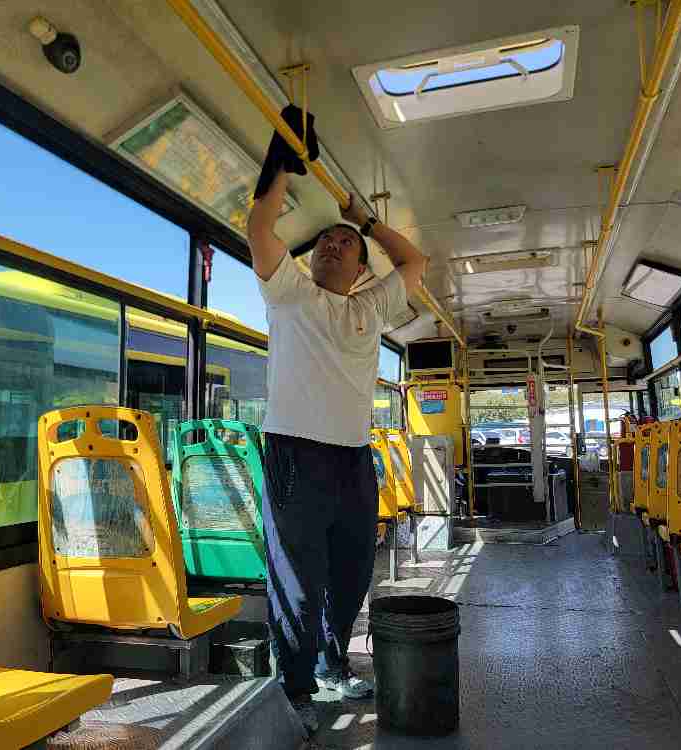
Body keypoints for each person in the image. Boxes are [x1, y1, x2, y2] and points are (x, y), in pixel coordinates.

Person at [247, 107, 426, 737]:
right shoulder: (289, 292)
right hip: (295, 454)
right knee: (298, 579)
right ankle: (293, 689)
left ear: (361, 269)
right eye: (326, 239)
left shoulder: (371, 307)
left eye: (345, 243)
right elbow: (259, 226)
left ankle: (331, 663)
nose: (332, 243)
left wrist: (366, 219)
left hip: (353, 456)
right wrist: (281, 163)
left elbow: (415, 263)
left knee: (351, 572)